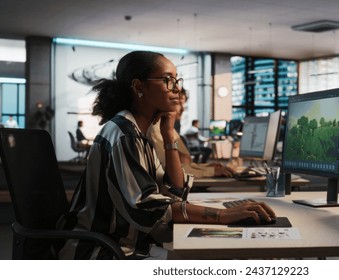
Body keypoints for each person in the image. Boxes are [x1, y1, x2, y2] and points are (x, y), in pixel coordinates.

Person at [57, 51, 275, 259]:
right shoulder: (123, 133)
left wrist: (168, 133)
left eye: (177, 81)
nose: (177, 90)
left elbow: (175, 189)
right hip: (98, 251)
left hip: (125, 244)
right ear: (139, 86)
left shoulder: (139, 133)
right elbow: (148, 207)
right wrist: (222, 215)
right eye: (168, 80)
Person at [149, 88, 235, 178]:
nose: (182, 109)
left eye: (183, 105)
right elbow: (172, 170)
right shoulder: (156, 130)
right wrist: (211, 171)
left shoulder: (170, 129)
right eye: (178, 103)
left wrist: (204, 167)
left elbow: (186, 164)